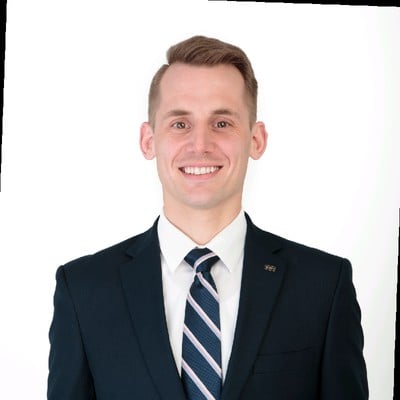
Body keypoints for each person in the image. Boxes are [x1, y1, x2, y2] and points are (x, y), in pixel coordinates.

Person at [47, 35, 368, 399]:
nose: (200, 145)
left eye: (222, 123)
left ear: (256, 139)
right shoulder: (84, 290)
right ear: (149, 140)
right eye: (180, 124)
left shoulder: (323, 286)